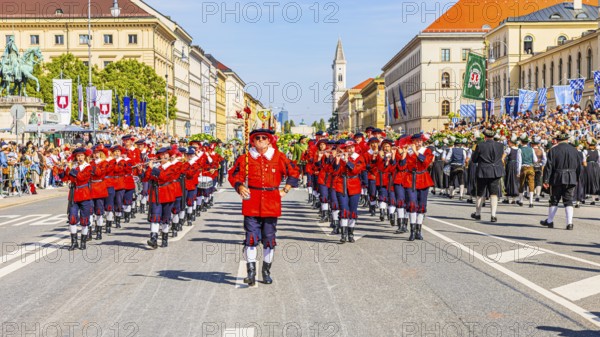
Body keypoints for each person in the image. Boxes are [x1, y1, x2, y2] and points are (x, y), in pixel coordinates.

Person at [228, 129, 299, 286]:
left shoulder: (279, 156)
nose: (260, 140)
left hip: (271, 202)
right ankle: (251, 273)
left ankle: (266, 271)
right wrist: (239, 186)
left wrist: (285, 189)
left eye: (263, 138)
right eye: (257, 138)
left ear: (269, 141)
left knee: (268, 238)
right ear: (252, 142)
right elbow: (233, 175)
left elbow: (294, 172)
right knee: (251, 238)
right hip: (251, 201)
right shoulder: (245, 158)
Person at [540, 132, 583, 230]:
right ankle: (569, 223)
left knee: (554, 199)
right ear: (567, 140)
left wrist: (546, 180)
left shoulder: (553, 150)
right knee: (568, 200)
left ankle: (550, 221)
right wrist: (576, 178)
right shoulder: (575, 151)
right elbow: (579, 167)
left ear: (557, 140)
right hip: (571, 177)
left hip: (557, 177)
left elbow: (549, 166)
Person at [332, 139, 366, 243]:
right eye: (348, 148)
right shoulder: (340, 157)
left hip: (354, 184)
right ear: (345, 149)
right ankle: (343, 234)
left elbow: (356, 170)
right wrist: (337, 161)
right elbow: (334, 171)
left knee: (353, 210)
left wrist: (347, 161)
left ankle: (351, 233)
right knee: (344, 210)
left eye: (352, 147)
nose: (350, 149)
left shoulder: (359, 157)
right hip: (341, 184)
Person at [59, 148, 93, 251]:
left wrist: (73, 170)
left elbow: (82, 178)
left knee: (84, 220)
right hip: (74, 195)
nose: (80, 158)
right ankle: (74, 242)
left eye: (81, 156)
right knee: (72, 219)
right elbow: (65, 179)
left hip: (84, 194)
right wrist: (62, 169)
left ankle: (83, 242)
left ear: (85, 157)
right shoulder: (73, 167)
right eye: (78, 156)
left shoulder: (88, 167)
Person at [470, 129, 506, 223]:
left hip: (483, 171)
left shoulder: (480, 145)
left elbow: (474, 160)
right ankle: (493, 215)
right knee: (494, 193)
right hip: (495, 171)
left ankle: (478, 213)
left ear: (485, 136)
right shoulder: (500, 145)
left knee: (480, 193)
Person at [403, 134, 434, 241]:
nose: (418, 143)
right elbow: (403, 164)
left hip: (423, 178)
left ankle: (418, 231)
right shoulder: (409, 151)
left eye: (420, 141)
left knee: (421, 205)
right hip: (410, 178)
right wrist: (404, 152)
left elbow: (425, 162)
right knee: (412, 204)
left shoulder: (427, 151)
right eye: (416, 141)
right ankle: (412, 231)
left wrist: (415, 152)